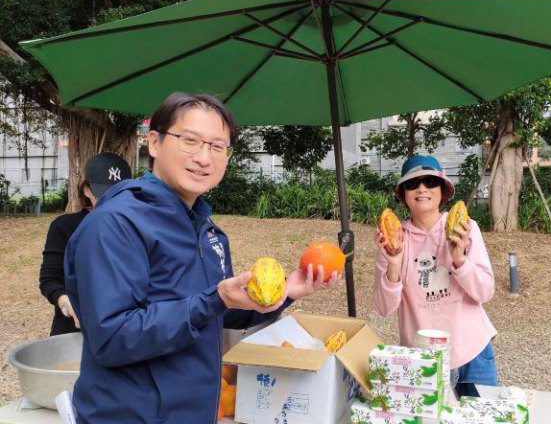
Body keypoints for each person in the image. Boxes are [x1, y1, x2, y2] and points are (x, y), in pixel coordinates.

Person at [64, 93, 341, 423]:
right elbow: (113, 337)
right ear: (154, 142)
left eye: (217, 146)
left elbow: (220, 314)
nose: (204, 158)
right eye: (190, 141)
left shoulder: (208, 232)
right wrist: (215, 299)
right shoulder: (116, 224)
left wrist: (289, 290)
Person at [372, 155, 498, 398]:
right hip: (423, 357)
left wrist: (460, 260)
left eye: (430, 181)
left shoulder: (465, 229)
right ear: (403, 194)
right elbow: (384, 309)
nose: (422, 189)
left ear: (443, 190)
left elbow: (485, 292)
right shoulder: (393, 240)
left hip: (473, 351)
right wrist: (394, 265)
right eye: (413, 184)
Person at [39, 152, 130, 336]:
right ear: (87, 190)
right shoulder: (64, 227)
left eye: (118, 194)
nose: (111, 202)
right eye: (103, 194)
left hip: (124, 332)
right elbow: (49, 279)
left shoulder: (138, 228)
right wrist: (67, 304)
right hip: (72, 332)